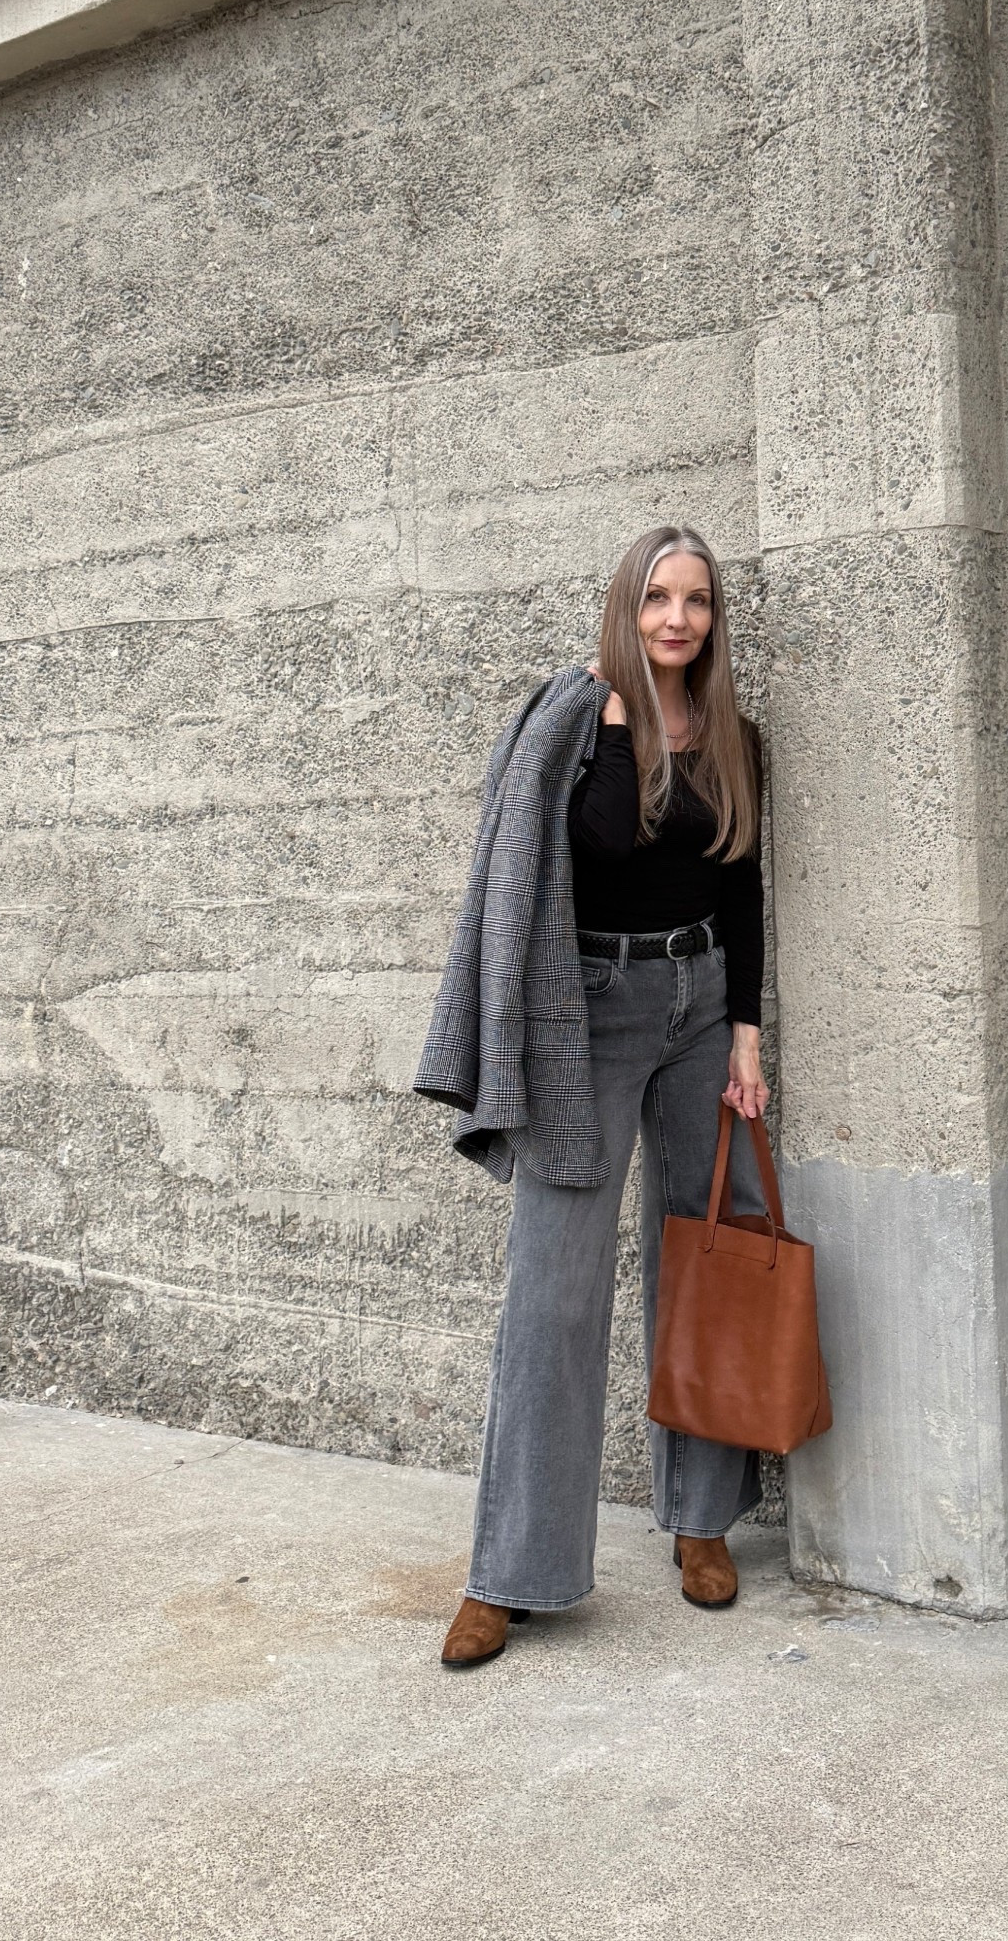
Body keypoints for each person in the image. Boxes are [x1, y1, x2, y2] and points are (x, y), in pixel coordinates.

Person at [421, 524, 770, 1670]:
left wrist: (747, 1035)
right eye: (659, 597)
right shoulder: (570, 726)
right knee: (553, 1294)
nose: (679, 619)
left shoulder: (730, 732)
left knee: (709, 1257)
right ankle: (509, 1571)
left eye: (698, 601)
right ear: (625, 604)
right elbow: (583, 848)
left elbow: (740, 888)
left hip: (700, 1006)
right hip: (591, 1015)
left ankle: (703, 1521)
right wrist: (618, 713)